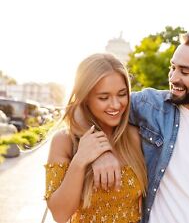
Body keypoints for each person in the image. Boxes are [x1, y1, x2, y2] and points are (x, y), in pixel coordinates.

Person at [91, 32, 189, 223]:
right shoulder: (150, 105)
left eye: (184, 72)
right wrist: (101, 152)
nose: (173, 77)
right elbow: (87, 107)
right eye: (173, 67)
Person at [44, 53, 147, 223]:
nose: (115, 105)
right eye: (103, 98)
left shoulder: (134, 136)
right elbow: (60, 215)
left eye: (122, 94)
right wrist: (81, 159)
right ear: (85, 99)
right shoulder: (64, 141)